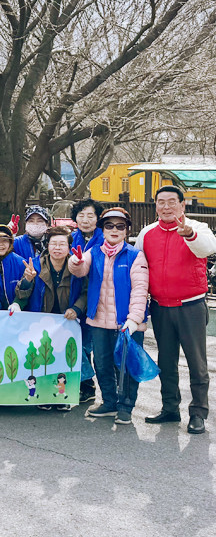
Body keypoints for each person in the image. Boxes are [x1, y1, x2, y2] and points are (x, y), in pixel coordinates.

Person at [137, 185, 216, 434]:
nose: (166, 207)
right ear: (156, 206)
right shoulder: (147, 233)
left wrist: (189, 233)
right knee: (166, 361)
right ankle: (170, 408)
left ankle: (198, 413)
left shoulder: (197, 227)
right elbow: (138, 265)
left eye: (172, 202)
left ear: (183, 205)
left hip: (191, 306)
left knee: (196, 363)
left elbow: (207, 248)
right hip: (160, 307)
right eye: (161, 202)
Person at [69, 208, 149, 425]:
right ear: (102, 229)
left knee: (127, 365)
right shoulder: (94, 251)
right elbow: (79, 269)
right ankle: (109, 402)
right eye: (109, 225)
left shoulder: (135, 255)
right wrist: (76, 261)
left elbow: (140, 290)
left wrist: (134, 319)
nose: (114, 230)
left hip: (127, 323)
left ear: (126, 230)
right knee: (102, 363)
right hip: (99, 320)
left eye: (120, 226)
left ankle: (126, 406)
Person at [15, 226, 88, 411]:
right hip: (41, 322)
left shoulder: (77, 267)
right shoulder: (35, 265)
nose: (57, 248)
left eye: (62, 244)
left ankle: (63, 397)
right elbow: (22, 294)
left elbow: (86, 292)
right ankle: (44, 396)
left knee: (64, 359)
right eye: (53, 243)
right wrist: (27, 280)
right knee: (43, 360)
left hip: (67, 321)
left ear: (69, 247)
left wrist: (76, 309)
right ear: (47, 246)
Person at [68, 197, 103, 404]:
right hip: (76, 295)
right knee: (78, 343)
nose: (86, 220)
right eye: (81, 215)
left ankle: (97, 386)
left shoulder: (104, 239)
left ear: (98, 218)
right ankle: (86, 385)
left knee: (93, 344)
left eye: (91, 215)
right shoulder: (72, 238)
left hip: (99, 297)